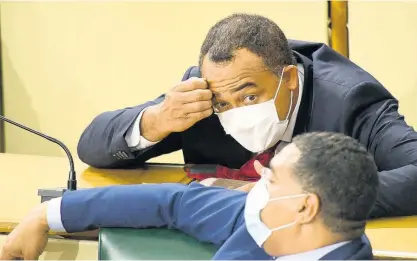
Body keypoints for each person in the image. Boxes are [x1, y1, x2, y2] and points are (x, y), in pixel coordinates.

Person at [76, 13, 417, 218]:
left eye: (250, 96)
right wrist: (156, 121)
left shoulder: (351, 101)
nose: (236, 112)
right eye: (224, 104)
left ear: (291, 79)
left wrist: (309, 194)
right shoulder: (207, 95)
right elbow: (92, 145)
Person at [1, 132, 378, 260]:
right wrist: (46, 214)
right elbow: (172, 203)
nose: (257, 185)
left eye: (272, 180)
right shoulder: (259, 222)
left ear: (304, 207)